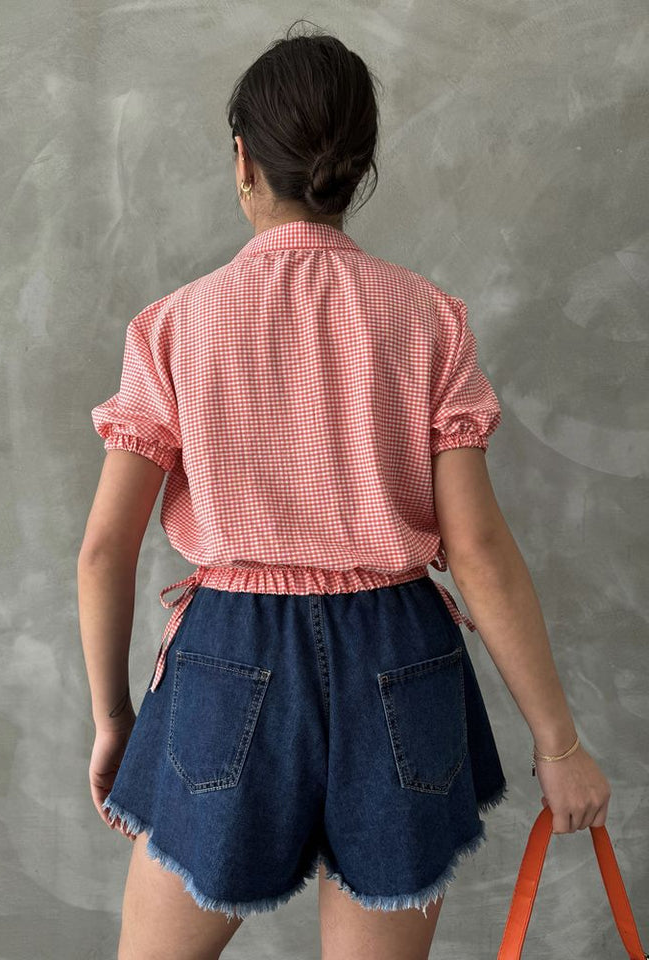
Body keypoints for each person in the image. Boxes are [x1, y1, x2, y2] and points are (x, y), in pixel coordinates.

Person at [77, 20, 611, 960]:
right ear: (359, 167)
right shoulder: (429, 321)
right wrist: (558, 746)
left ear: (244, 160)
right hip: (399, 657)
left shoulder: (173, 328)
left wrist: (116, 719)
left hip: (227, 660)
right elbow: (478, 551)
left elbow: (103, 553)